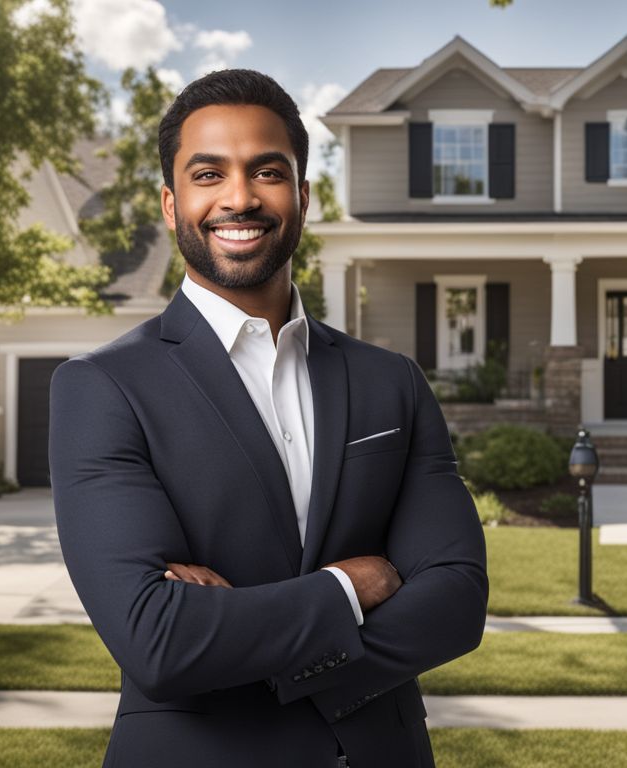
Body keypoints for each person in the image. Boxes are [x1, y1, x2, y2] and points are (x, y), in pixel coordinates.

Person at [48, 68, 488, 768]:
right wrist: (350, 587)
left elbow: (456, 601)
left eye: (267, 171)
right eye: (208, 174)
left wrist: (247, 639)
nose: (240, 197)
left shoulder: (391, 382)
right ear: (171, 203)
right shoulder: (101, 389)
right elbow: (156, 638)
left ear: (304, 198)